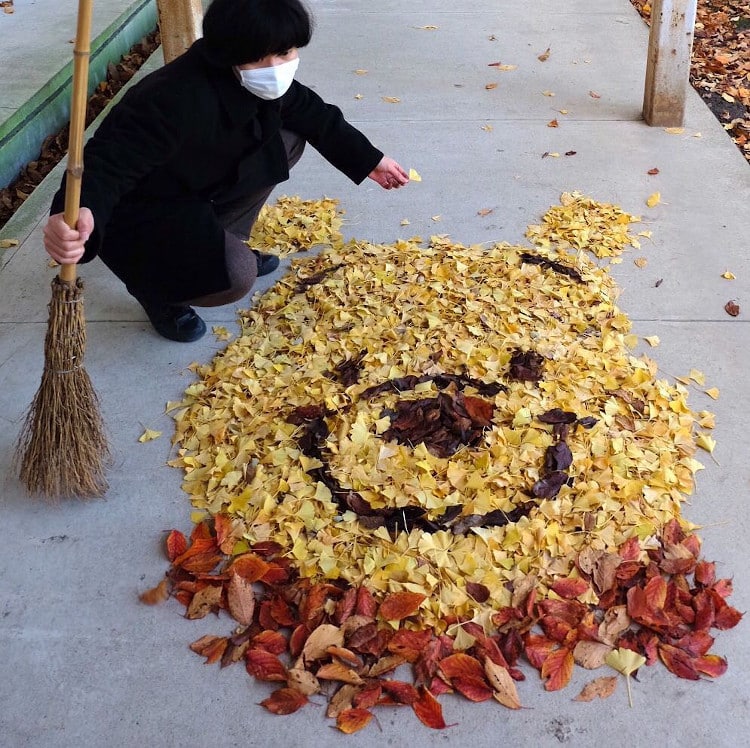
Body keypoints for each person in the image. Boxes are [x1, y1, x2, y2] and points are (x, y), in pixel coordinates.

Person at [43, 0, 409, 342]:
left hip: (199, 185)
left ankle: (222, 235)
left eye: (284, 53)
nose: (274, 68)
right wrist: (76, 214)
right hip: (148, 210)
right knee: (236, 276)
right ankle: (160, 293)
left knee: (288, 137)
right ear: (226, 53)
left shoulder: (259, 79)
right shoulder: (170, 99)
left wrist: (369, 160)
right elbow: (105, 166)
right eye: (256, 58)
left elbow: (314, 113)